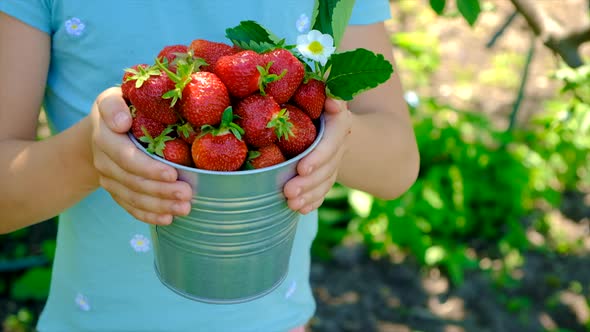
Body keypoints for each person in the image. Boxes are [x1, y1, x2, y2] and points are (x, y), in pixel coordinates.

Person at [0, 0, 419, 331]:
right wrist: (88, 154)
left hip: (272, 322)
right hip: (96, 321)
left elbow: (398, 166)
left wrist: (334, 138)